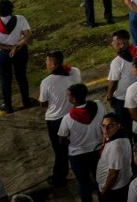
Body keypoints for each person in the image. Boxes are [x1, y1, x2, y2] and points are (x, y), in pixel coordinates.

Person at [39, 50, 83, 190]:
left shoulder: (47, 82)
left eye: (46, 61)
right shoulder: (75, 72)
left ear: (52, 63)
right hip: (74, 115)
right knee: (78, 145)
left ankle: (59, 178)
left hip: (56, 120)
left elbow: (43, 103)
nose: (46, 64)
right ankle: (84, 173)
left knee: (60, 151)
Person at [0, 0, 33, 113]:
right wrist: (16, 46)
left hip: (1, 54)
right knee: (21, 76)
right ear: (12, 9)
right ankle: (26, 101)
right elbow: (28, 35)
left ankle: (8, 106)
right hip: (20, 51)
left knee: (5, 80)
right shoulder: (21, 19)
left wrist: (9, 48)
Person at [94, 113, 132, 202]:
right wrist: (106, 137)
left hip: (113, 190)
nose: (106, 129)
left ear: (119, 126)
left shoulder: (116, 147)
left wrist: (104, 192)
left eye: (110, 126)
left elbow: (113, 174)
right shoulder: (121, 136)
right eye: (103, 126)